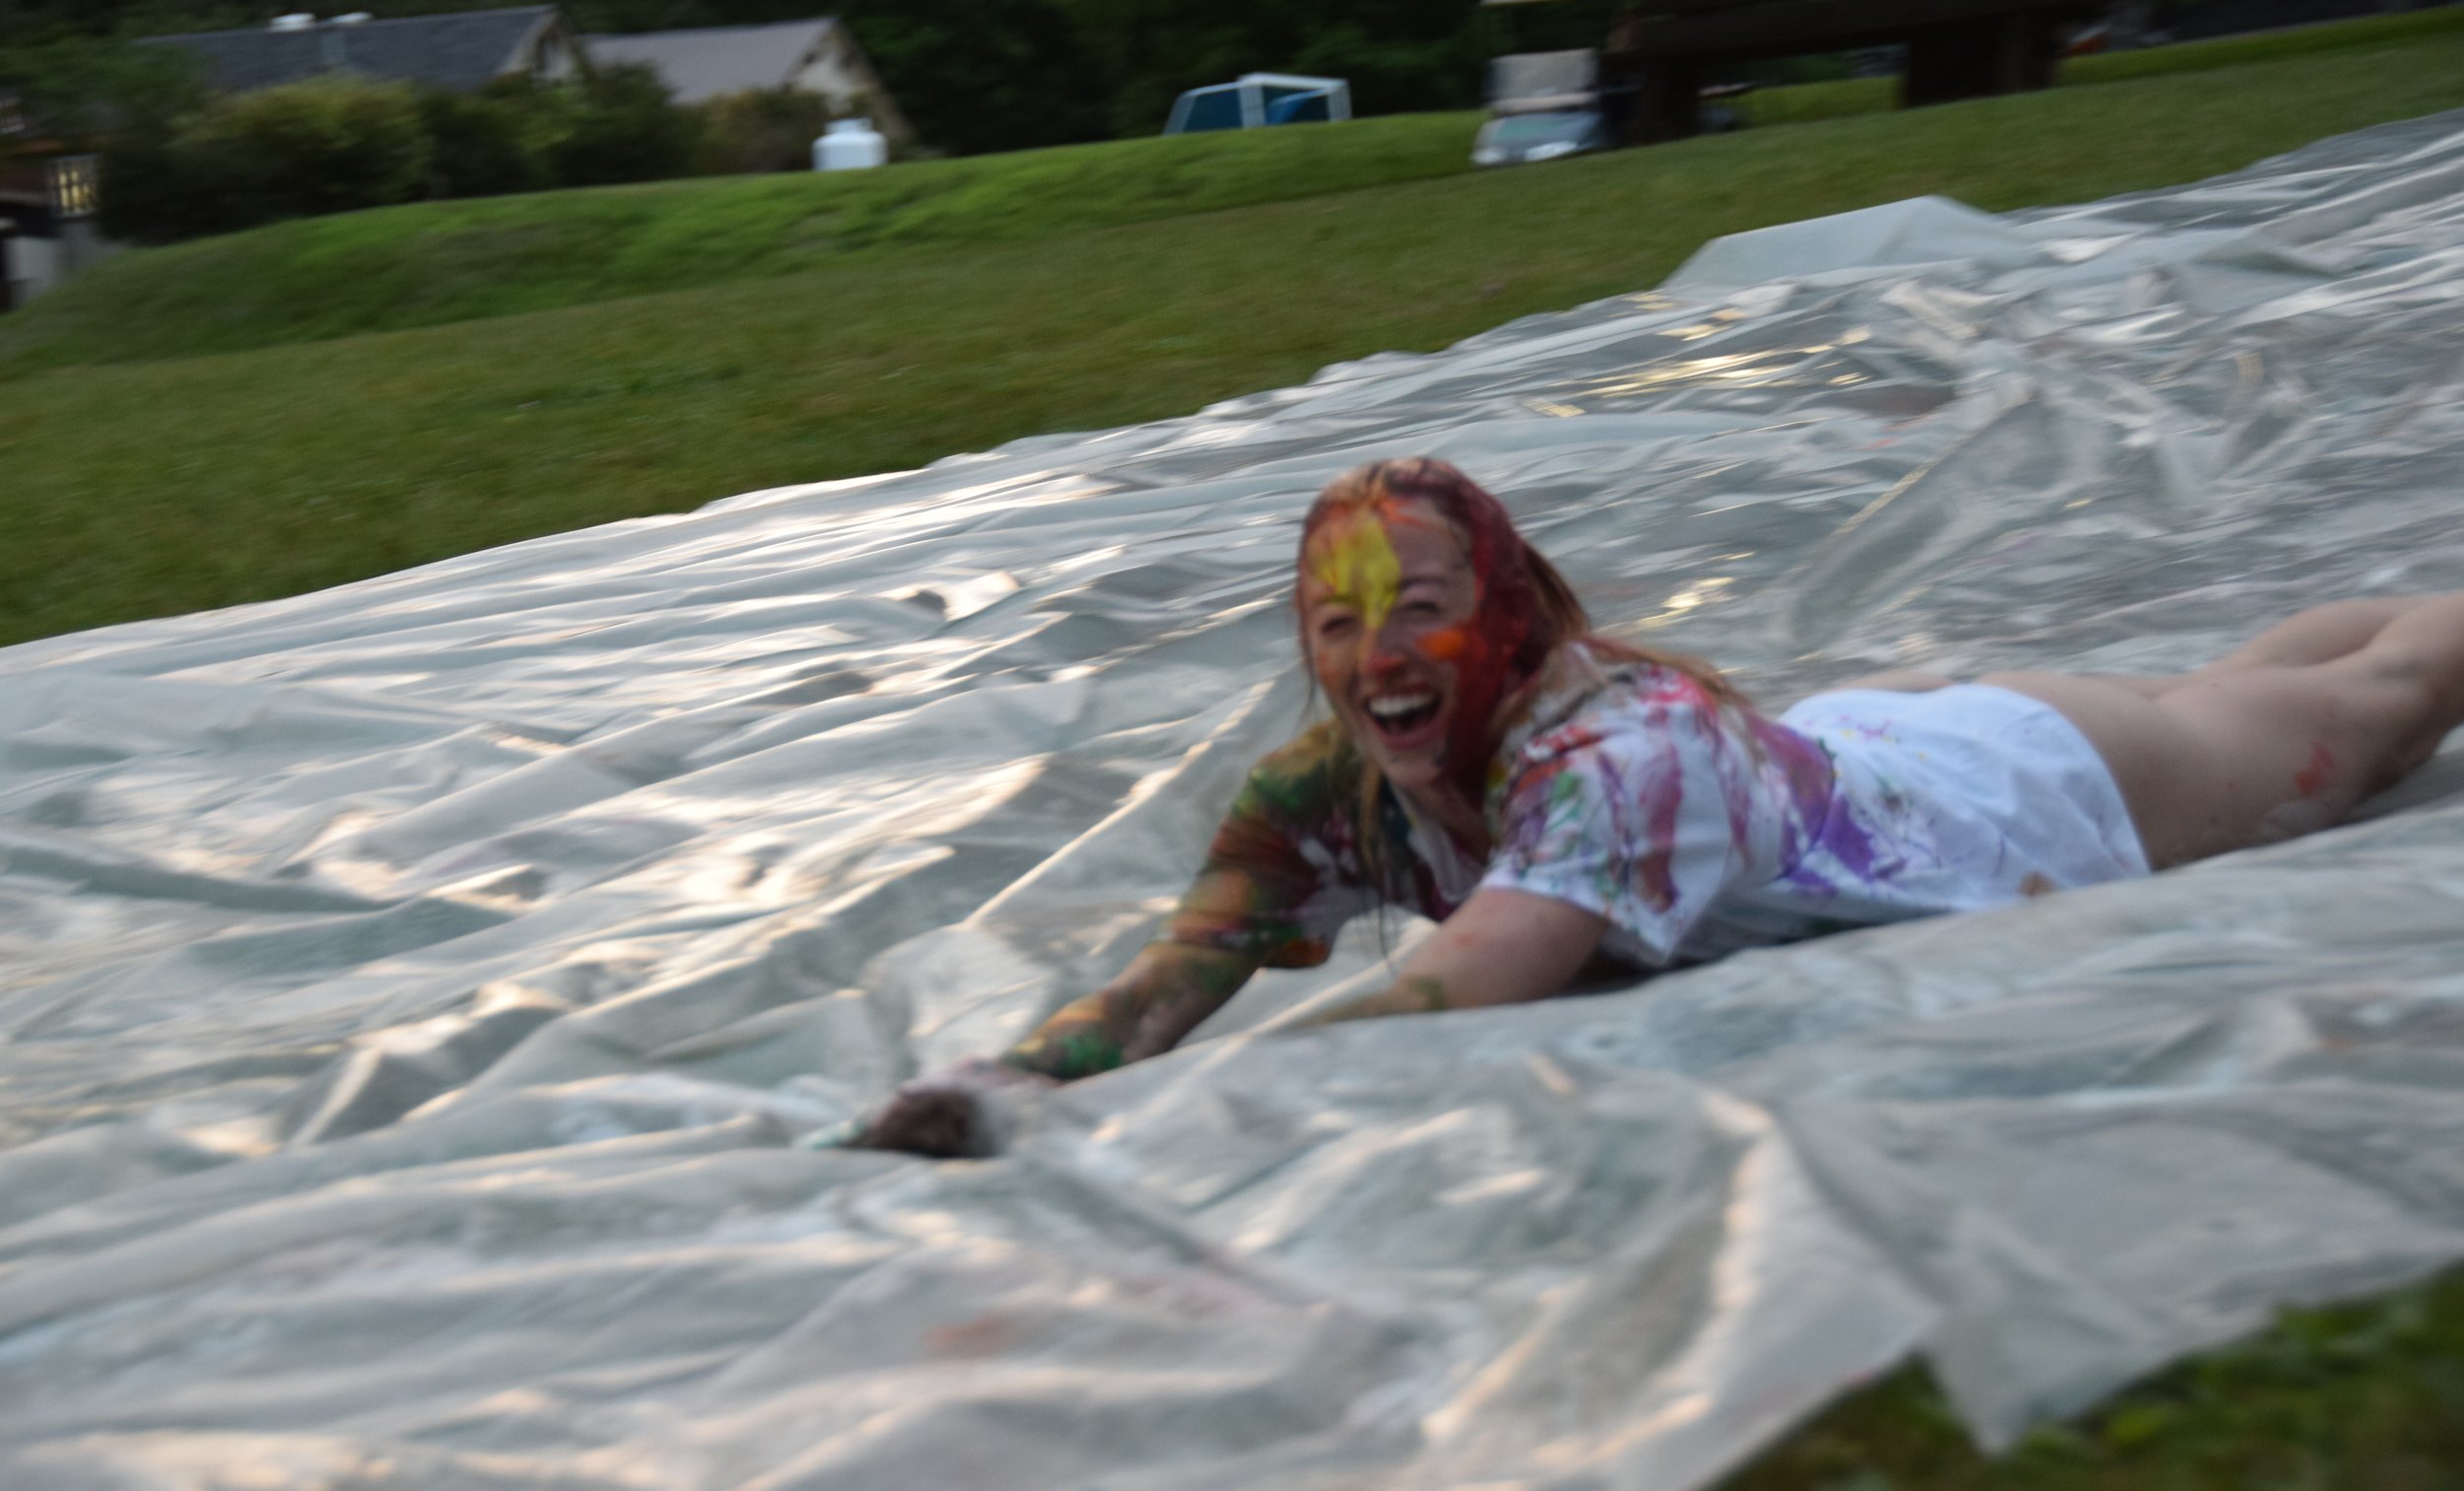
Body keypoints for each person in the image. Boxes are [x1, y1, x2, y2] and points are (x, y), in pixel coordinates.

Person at [852, 457, 2464, 1157]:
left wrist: (1104, 1133)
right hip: (1834, 767)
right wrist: (1005, 1080)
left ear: (1519, 612)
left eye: (1422, 605)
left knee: (2374, 724)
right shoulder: (1321, 799)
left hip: (2021, 801)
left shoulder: (1618, 766)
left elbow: (1434, 1002)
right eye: (1336, 624)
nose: (1378, 655)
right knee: (2246, 696)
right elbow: (1152, 998)